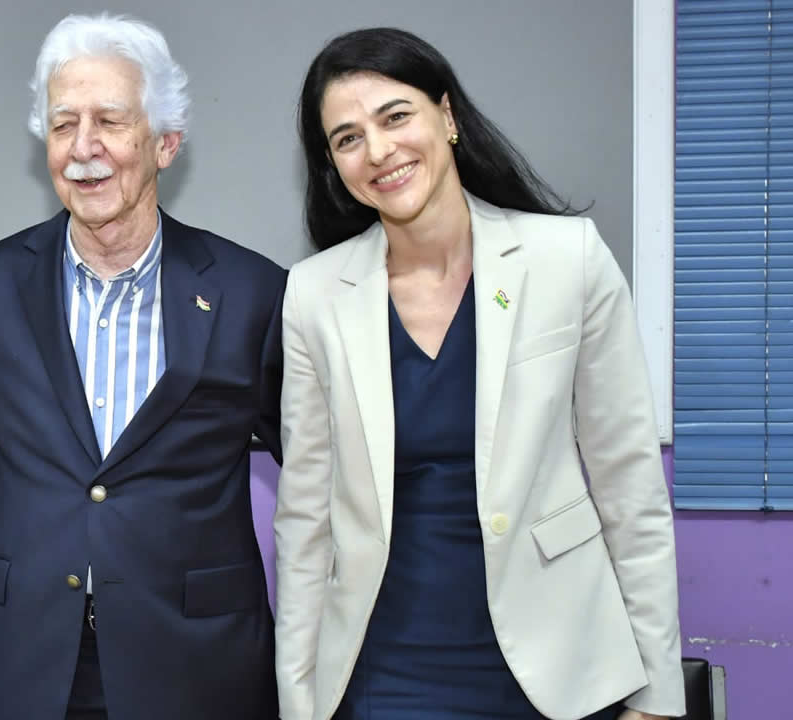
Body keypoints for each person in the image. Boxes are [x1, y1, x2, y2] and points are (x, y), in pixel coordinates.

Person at [273, 27, 684, 720]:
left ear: (447, 116)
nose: (378, 151)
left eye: (395, 116)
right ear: (333, 165)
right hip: (386, 666)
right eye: (347, 138)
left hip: (561, 663)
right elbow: (304, 522)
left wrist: (658, 694)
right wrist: (299, 701)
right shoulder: (314, 295)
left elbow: (630, 486)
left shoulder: (567, 260)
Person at [0, 13, 285, 720]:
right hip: (30, 661)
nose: (84, 148)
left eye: (109, 121)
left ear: (165, 142)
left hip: (198, 665)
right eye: (62, 124)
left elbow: (326, 475)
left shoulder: (252, 291)